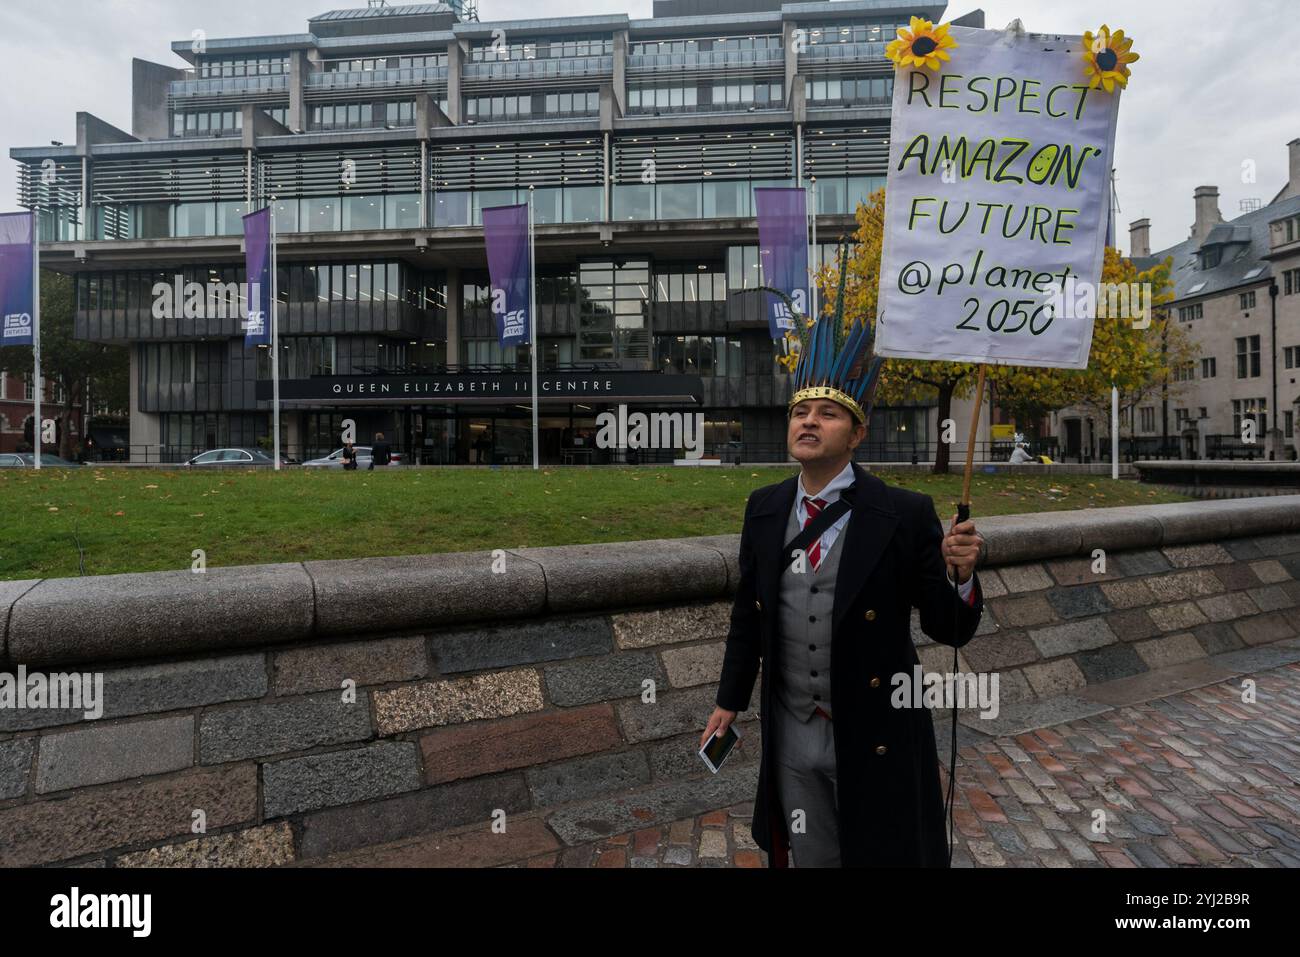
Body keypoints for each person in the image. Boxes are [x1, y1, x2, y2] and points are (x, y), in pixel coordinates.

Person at [700, 303, 984, 869]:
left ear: (857, 434)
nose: (808, 422)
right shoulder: (764, 508)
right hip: (794, 728)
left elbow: (949, 629)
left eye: (827, 414)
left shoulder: (902, 512)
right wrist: (728, 701)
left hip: (877, 725)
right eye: (800, 411)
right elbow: (748, 615)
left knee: (884, 852)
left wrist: (963, 575)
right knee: (812, 853)